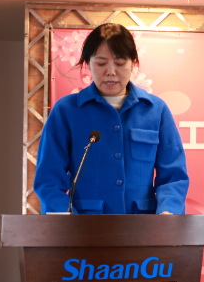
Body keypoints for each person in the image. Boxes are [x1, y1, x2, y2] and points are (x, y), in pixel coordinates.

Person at [34, 23, 188, 214]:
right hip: (84, 226)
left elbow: (174, 176)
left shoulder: (156, 110)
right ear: (87, 63)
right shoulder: (66, 111)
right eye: (101, 63)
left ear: (133, 63)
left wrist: (168, 212)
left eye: (120, 63)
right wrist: (68, 220)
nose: (111, 71)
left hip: (143, 226)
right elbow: (48, 181)